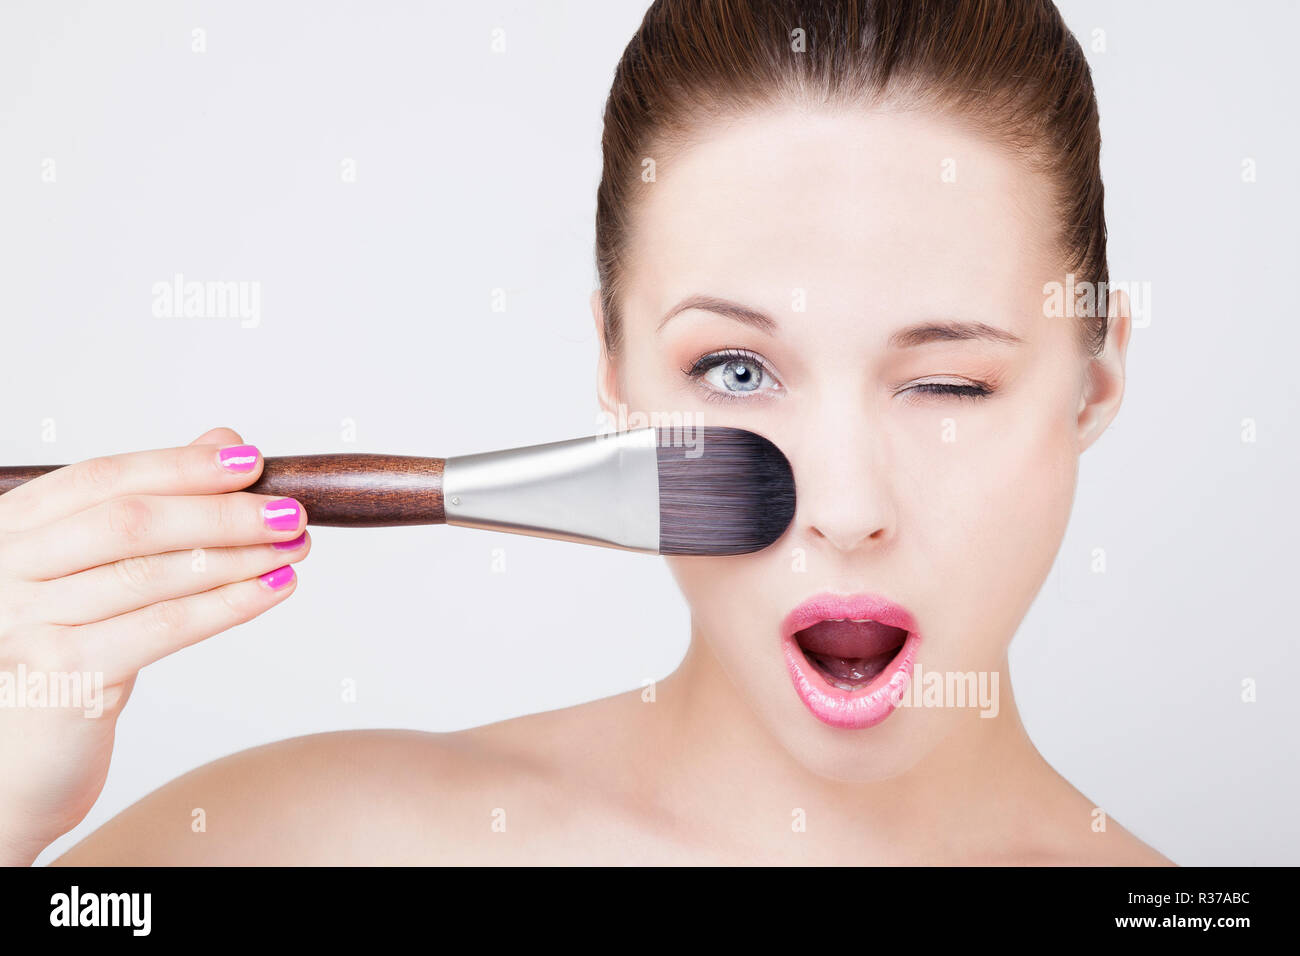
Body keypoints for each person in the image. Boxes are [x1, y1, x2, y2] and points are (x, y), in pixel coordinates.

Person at [1, 0, 1172, 865]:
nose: (848, 504)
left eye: (949, 383)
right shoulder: (306, 842)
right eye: (736, 368)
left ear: (1095, 374)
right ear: (611, 363)